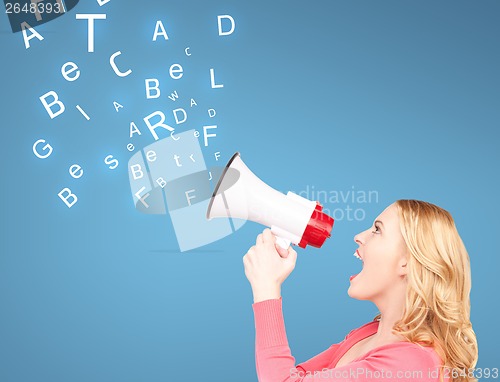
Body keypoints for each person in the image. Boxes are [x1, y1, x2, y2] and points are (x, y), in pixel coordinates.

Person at [243, 200, 478, 382]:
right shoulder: (368, 334)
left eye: (377, 230)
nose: (359, 236)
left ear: (407, 261)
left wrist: (266, 288)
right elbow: (294, 376)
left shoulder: (412, 363)